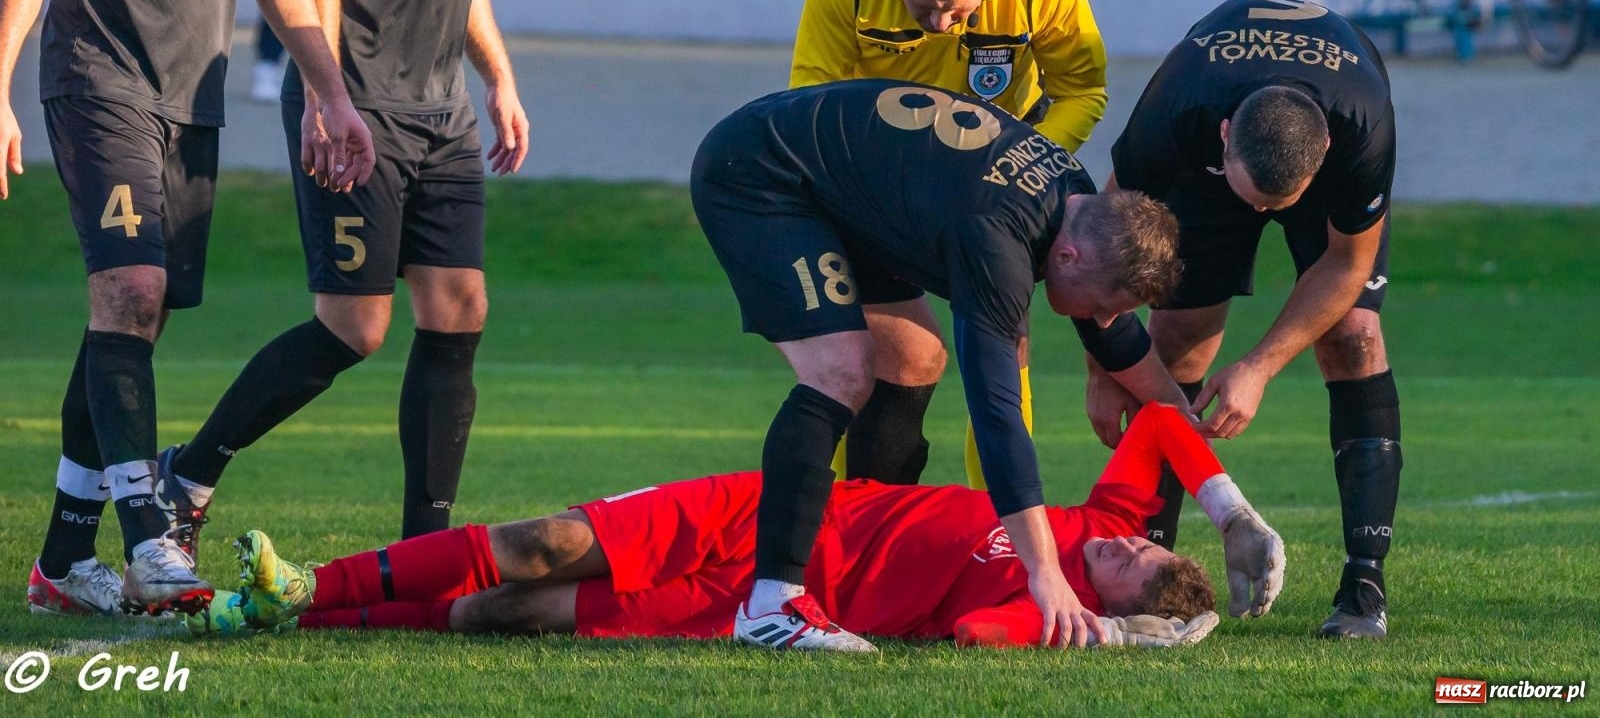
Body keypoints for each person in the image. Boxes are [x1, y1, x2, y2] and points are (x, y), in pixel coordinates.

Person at [0, 0, 375, 618]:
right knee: (131, 289)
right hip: (97, 79)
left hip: (192, 96)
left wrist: (329, 89)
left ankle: (61, 562)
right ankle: (148, 540)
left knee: (137, 318)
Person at [157, 0, 530, 557]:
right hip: (355, 102)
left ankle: (423, 552)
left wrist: (500, 77)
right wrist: (330, 100)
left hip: (442, 109)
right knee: (355, 328)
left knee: (461, 310)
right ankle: (190, 473)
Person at [688, 78, 1195, 651]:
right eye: (1105, 306)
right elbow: (997, 414)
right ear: (1069, 258)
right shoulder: (998, 243)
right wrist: (1045, 572)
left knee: (915, 355)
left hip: (836, 179)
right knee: (840, 371)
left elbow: (1115, 335)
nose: (1103, 321)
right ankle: (772, 603)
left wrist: (1192, 443)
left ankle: (854, 556)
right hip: (760, 174)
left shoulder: (1079, 204)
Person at [189, 404, 1284, 650]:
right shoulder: (1099, 515)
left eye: (1133, 570)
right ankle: (314, 583)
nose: (1130, 546)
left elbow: (970, 640)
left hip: (766, 602)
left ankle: (296, 611)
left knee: (504, 609)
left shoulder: (1040, 602)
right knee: (548, 539)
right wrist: (1228, 511)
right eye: (1150, 544)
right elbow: (1153, 421)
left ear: (1112, 603)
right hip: (769, 515)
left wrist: (1112, 634)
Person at [1094, 0, 1398, 640]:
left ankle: (1364, 588)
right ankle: (1151, 581)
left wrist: (1259, 367)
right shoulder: (1179, 103)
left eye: (1276, 204)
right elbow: (1104, 243)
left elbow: (1346, 266)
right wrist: (1102, 369)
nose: (1262, 216)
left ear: (1324, 157)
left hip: (1305, 139)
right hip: (1207, 173)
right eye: (1253, 201)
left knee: (1355, 336)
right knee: (1174, 343)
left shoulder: (1361, 124)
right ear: (1225, 137)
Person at [791, 0, 1108, 492]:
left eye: (957, 11)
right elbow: (811, 100)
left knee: (1005, 353)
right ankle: (839, 524)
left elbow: (1082, 91)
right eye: (922, 7)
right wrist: (874, 188)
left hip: (992, 181)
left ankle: (1001, 536)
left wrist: (1018, 170)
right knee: (870, 360)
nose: (939, 24)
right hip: (878, 177)